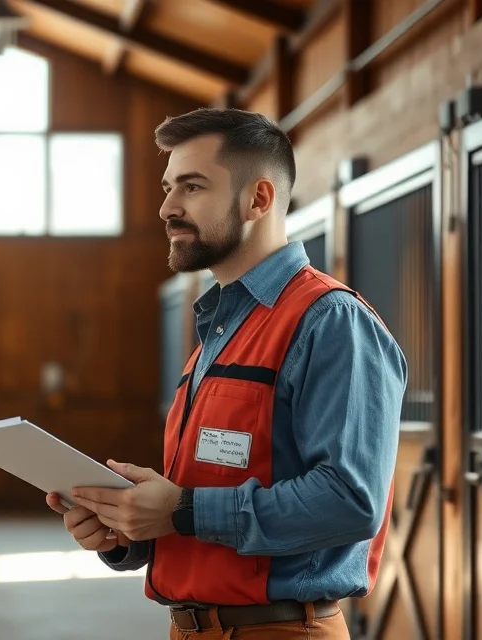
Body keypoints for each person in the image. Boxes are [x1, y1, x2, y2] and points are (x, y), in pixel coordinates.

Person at [45, 107, 407, 639]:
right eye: (168, 187)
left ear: (258, 199)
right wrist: (127, 530)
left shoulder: (330, 321)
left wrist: (183, 510)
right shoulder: (219, 331)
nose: (167, 207)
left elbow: (350, 501)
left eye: (192, 187)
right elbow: (206, 495)